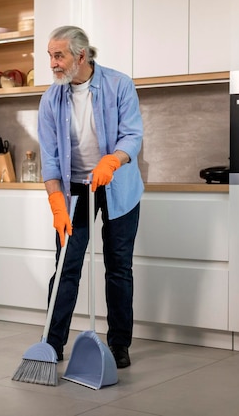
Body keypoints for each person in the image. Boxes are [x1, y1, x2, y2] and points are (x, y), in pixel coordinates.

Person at [38, 26, 144, 368]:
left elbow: (132, 135)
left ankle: (119, 346)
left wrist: (113, 160)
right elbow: (51, 160)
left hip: (117, 186)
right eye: (50, 56)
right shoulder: (50, 99)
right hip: (75, 190)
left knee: (118, 268)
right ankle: (52, 345)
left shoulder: (118, 84)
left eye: (59, 56)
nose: (52, 63)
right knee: (66, 265)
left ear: (80, 56)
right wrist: (57, 203)